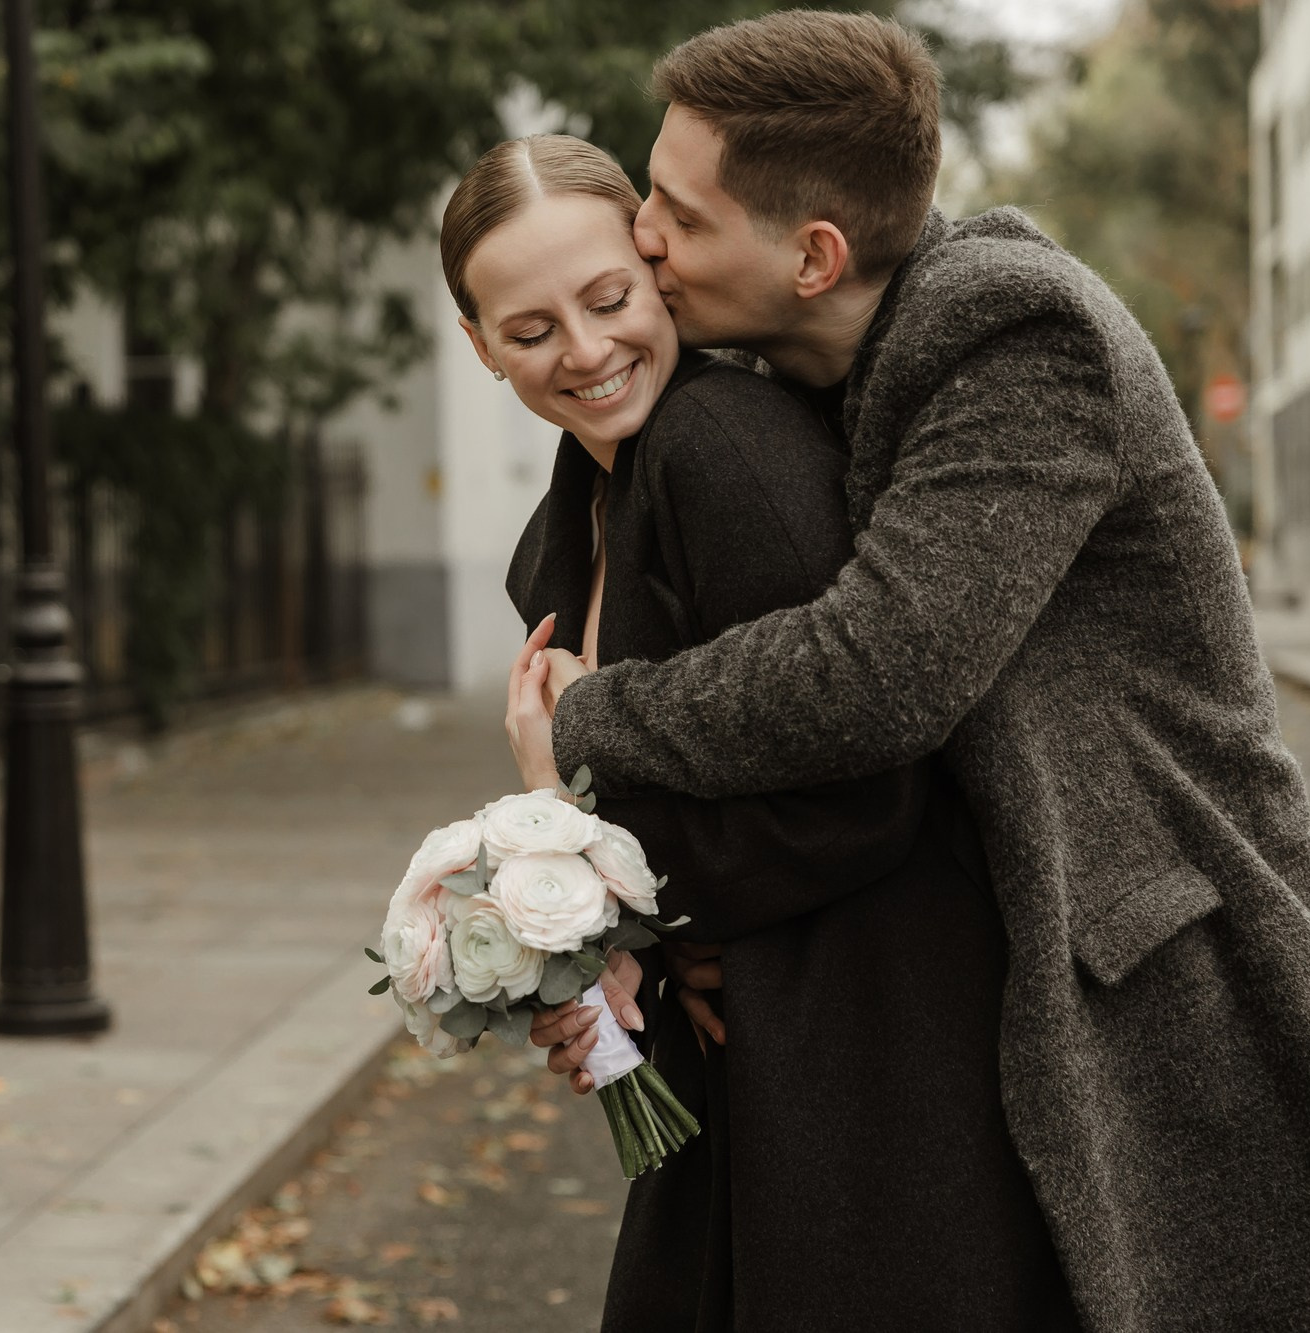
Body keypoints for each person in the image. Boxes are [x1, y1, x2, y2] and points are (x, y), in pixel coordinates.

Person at [527, 13, 1310, 1331]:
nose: (644, 239)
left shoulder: (1016, 335)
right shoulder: (787, 365)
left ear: (814, 255)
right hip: (995, 952)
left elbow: (875, 671)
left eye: (674, 213)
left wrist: (590, 716)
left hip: (1161, 974)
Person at [444, 133, 1074, 1331]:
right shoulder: (569, 519)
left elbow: (867, 782)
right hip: (751, 1052)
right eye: (527, 332)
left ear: (653, 262)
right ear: (477, 348)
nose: (583, 350)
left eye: (608, 298)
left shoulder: (722, 447)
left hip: (863, 1051)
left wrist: (650, 916)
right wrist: (591, 943)